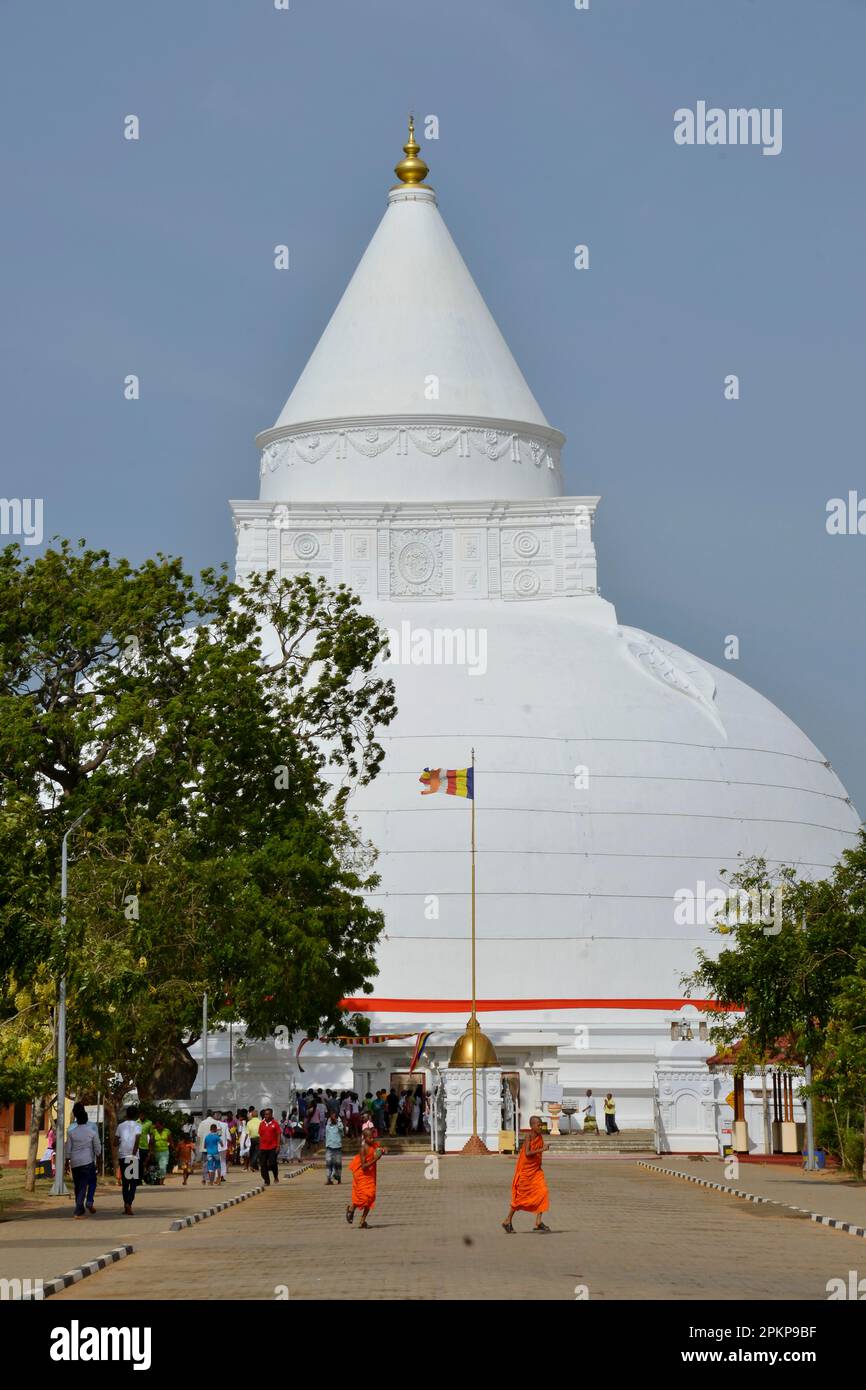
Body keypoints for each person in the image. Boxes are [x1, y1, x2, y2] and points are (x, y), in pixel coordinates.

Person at [502, 1115, 551, 1233]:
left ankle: (538, 1221)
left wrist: (539, 1164)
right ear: (532, 1126)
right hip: (526, 1171)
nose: (540, 1127)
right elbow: (528, 1153)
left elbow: (538, 1156)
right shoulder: (528, 1136)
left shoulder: (539, 1137)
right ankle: (507, 1220)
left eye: (541, 1125)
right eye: (538, 1125)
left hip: (536, 1171)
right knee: (520, 1198)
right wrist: (542, 1149)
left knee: (543, 1192)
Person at [66, 1102, 101, 1218]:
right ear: (86, 1118)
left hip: (75, 1162)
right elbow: (97, 1147)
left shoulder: (71, 1130)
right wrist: (99, 1160)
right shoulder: (92, 1129)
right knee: (89, 1183)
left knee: (78, 1185)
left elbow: (68, 1148)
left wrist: (67, 1161)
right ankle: (81, 1207)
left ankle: (79, 1208)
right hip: (88, 1161)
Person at [346, 1130, 382, 1228]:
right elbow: (363, 1166)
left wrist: (383, 1150)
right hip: (362, 1174)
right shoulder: (363, 1149)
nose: (372, 1139)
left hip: (370, 1175)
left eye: (372, 1137)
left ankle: (362, 1221)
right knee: (362, 1196)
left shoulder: (374, 1145)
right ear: (364, 1138)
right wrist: (375, 1159)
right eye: (369, 1138)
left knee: (370, 1197)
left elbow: (379, 1149)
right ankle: (352, 1208)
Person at [115, 1104, 142, 1215]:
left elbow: (115, 1142)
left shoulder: (120, 1126)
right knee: (133, 1182)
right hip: (133, 1156)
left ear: (126, 1114)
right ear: (136, 1115)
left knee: (125, 1183)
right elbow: (137, 1141)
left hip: (123, 1155)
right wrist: (134, 1154)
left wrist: (120, 1142)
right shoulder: (138, 1126)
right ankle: (129, 1204)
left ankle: (126, 1204)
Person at [258, 1107, 282, 1186]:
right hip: (263, 1147)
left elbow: (278, 1134)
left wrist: (278, 1146)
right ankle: (266, 1181)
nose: (266, 1116)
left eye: (268, 1114)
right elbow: (260, 1135)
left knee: (272, 1163)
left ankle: (275, 1176)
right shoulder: (261, 1124)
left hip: (273, 1147)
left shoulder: (275, 1123)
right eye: (265, 1114)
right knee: (263, 1164)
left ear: (271, 1114)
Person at [324, 1111, 345, 1185]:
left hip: (337, 1147)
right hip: (329, 1147)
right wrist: (332, 1119)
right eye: (331, 1117)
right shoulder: (328, 1126)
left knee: (338, 1164)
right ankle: (328, 1178)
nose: (332, 1118)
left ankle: (338, 1178)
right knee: (329, 1163)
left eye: (334, 1117)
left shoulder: (339, 1126)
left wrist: (337, 1120)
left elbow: (341, 1129)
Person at [245, 1106, 262, 1170]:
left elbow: (247, 1133)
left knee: (252, 1152)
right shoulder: (260, 1122)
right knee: (257, 1152)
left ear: (251, 1115)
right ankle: (252, 1164)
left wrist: (244, 1141)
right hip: (259, 1138)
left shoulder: (249, 1122)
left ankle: (255, 1166)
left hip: (252, 1139)